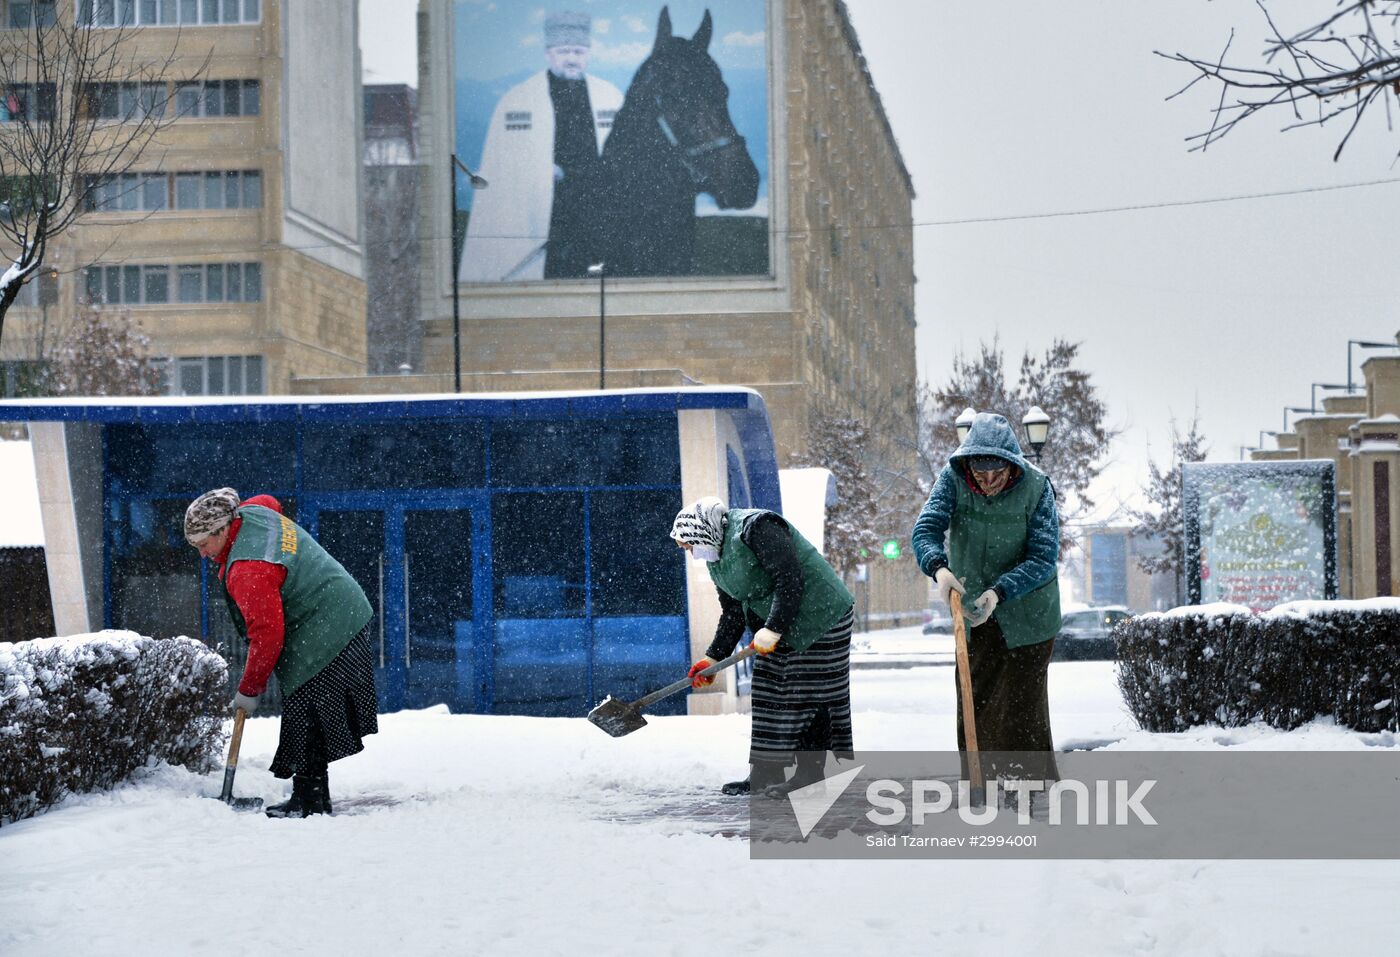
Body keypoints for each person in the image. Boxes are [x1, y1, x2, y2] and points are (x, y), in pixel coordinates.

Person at [185, 488, 377, 819]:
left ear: (223, 529)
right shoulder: (252, 513)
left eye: (204, 544)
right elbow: (268, 500)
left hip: (327, 623)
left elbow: (268, 636)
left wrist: (248, 689)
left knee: (307, 712)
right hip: (342, 605)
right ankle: (313, 797)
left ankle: (309, 802)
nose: (202, 554)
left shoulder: (249, 569)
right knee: (310, 711)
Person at [910, 412, 1062, 783]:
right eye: (981, 474)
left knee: (1020, 706)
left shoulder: (1037, 487)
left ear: (1012, 464)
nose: (989, 481)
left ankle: (1025, 787)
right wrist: (938, 567)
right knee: (974, 699)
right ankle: (981, 783)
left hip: (1030, 614)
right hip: (975, 614)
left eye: (998, 473)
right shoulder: (953, 478)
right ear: (969, 466)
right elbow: (926, 528)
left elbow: (1043, 557)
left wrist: (1001, 590)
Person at [671, 496, 856, 796]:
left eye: (689, 544)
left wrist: (773, 628)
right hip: (785, 619)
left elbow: (790, 578)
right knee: (768, 689)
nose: (690, 552)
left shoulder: (757, 528)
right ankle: (765, 773)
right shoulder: (717, 560)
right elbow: (733, 612)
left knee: (807, 692)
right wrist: (712, 658)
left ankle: (810, 773)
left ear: (702, 531)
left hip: (824, 613)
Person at [458, 10, 624, 282]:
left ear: (589, 53)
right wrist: (543, 171)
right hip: (546, 211)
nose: (572, 58)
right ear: (548, 53)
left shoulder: (611, 97)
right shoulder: (519, 99)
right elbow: (504, 164)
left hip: (596, 208)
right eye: (564, 51)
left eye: (579, 51)